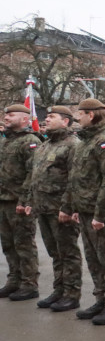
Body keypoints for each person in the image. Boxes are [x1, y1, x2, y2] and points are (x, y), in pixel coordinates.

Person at [62, 99, 105, 324]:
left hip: (100, 214)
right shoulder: (84, 142)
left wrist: (101, 214)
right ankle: (100, 300)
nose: (77, 117)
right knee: (93, 259)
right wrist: (74, 207)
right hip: (85, 211)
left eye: (81, 113)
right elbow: (76, 178)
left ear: (91, 115)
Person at [25, 106, 81, 311]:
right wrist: (31, 201)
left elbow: (74, 180)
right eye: (46, 117)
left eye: (51, 117)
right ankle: (59, 290)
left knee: (68, 252)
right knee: (55, 253)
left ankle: (72, 293)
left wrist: (67, 207)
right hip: (44, 208)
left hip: (60, 209)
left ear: (65, 121)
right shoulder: (45, 144)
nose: (46, 119)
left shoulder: (72, 145)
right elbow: (36, 175)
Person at [0, 103, 41, 300]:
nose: (6, 117)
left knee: (23, 243)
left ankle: (29, 283)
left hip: (18, 201)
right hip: (3, 200)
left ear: (25, 119)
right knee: (8, 244)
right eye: (5, 115)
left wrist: (25, 200)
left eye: (11, 115)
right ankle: (14, 280)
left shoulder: (30, 141)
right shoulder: (5, 141)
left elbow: (33, 173)